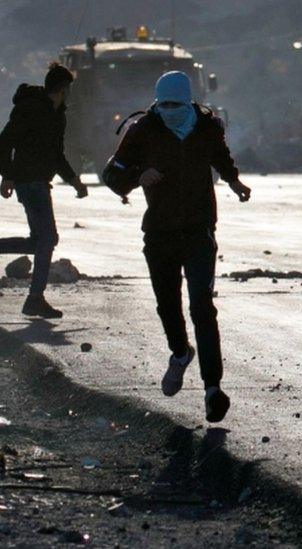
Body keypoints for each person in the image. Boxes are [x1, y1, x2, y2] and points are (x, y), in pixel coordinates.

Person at [102, 71, 251, 423]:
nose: (170, 110)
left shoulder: (207, 127)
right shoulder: (142, 130)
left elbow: (221, 156)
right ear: (157, 102)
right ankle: (181, 353)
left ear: (188, 101)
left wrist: (234, 181)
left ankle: (213, 388)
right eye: (164, 104)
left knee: (202, 306)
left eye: (176, 104)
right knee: (168, 305)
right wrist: (137, 178)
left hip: (199, 231)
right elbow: (111, 175)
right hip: (160, 235)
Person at [0, 62, 88, 318]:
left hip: (40, 183)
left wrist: (75, 181)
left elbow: (56, 155)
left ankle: (35, 298)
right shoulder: (30, 108)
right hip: (28, 183)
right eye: (68, 89)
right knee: (47, 239)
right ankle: (35, 299)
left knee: (39, 241)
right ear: (62, 89)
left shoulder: (57, 115)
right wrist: (7, 176)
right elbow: (5, 142)